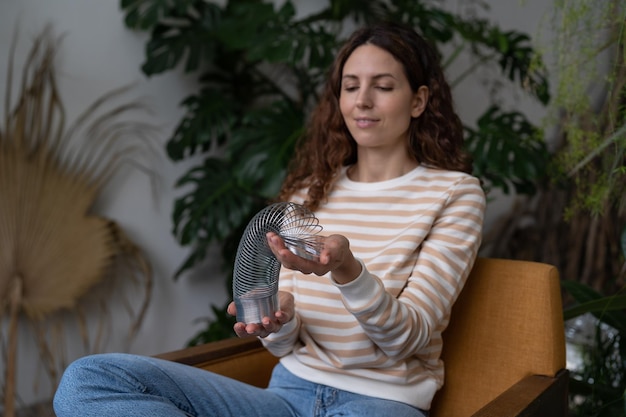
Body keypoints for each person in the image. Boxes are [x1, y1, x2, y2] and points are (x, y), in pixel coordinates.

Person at [53, 21, 486, 417]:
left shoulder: (453, 194)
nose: (362, 101)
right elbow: (284, 343)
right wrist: (276, 321)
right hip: (287, 396)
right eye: (350, 86)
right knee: (87, 382)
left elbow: (405, 340)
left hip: (381, 403)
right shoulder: (309, 192)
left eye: (383, 86)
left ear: (419, 101)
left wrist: (346, 269)